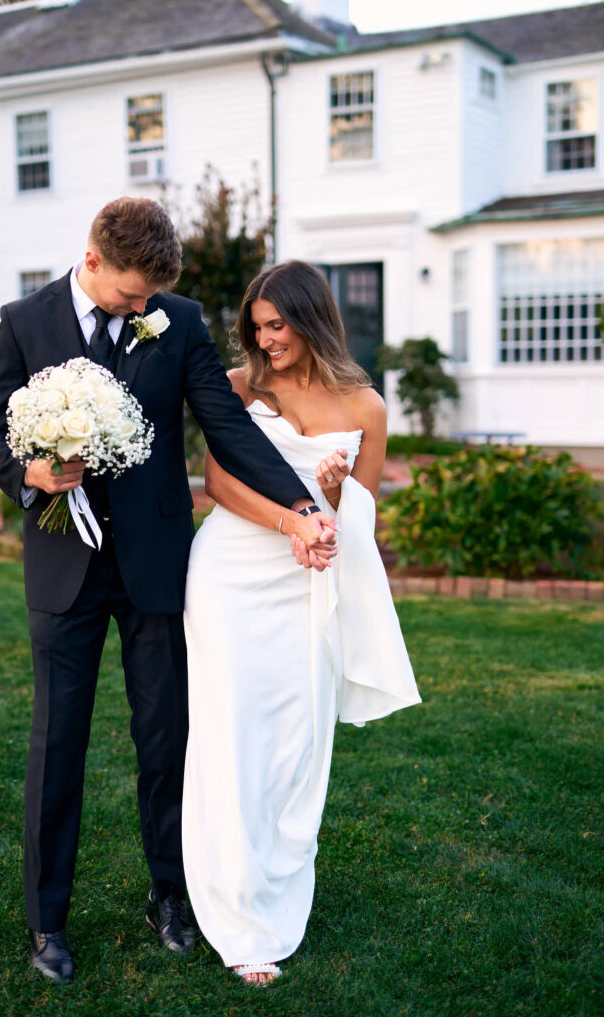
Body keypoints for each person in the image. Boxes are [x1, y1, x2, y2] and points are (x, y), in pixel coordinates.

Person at [0, 200, 338, 984]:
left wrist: (300, 504)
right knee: (56, 742)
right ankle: (48, 922)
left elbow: (226, 429)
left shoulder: (180, 320)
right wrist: (27, 474)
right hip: (63, 564)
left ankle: (170, 897)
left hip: (157, 565)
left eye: (151, 300)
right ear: (94, 261)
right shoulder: (23, 319)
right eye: (131, 297)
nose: (143, 311)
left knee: (167, 737)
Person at [182, 260, 421, 985]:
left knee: (296, 739)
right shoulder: (237, 386)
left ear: (310, 318)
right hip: (230, 576)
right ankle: (232, 909)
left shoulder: (368, 408)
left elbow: (360, 515)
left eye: (276, 324)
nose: (265, 339)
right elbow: (218, 481)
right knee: (230, 736)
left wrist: (335, 494)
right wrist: (292, 514)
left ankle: (278, 892)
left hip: (307, 583)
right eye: (256, 327)